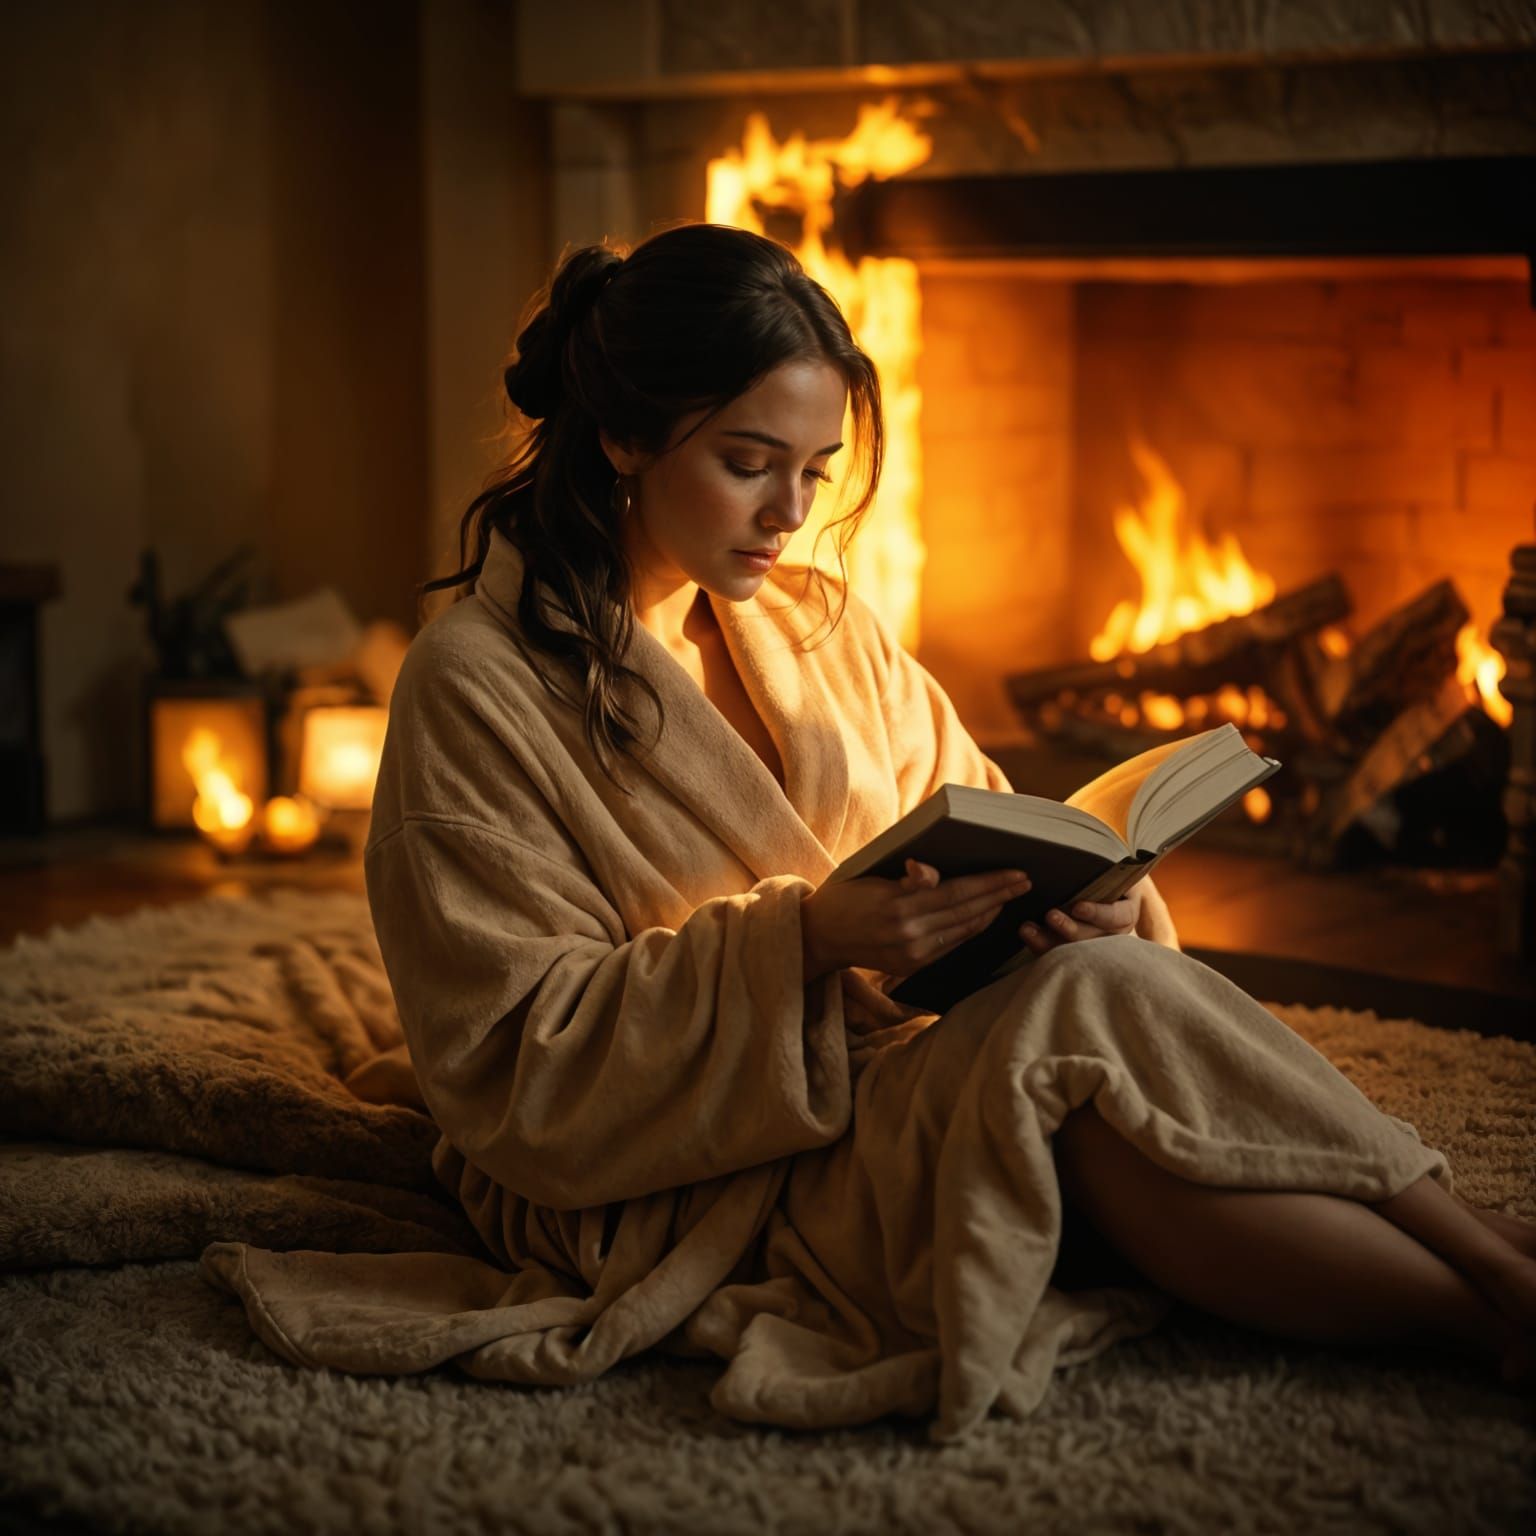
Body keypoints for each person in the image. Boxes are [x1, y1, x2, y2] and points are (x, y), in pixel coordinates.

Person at [207, 223, 1536, 1442]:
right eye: (747, 465)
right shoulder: (476, 685)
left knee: (1095, 1004)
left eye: (814, 472)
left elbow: (998, 815)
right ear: (621, 436)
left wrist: (1085, 896)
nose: (790, 516)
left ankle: (1483, 1292)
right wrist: (801, 943)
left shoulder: (823, 626)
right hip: (693, 1168)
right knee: (1085, 1051)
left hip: (911, 1068)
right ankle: (1483, 1273)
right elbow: (513, 1063)